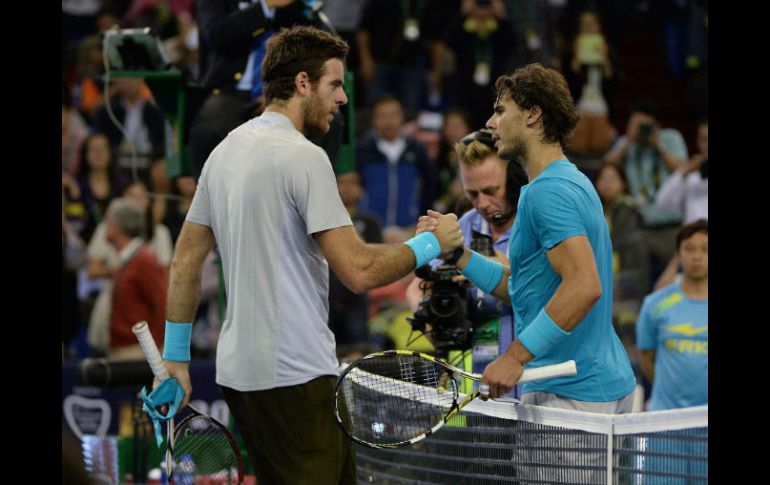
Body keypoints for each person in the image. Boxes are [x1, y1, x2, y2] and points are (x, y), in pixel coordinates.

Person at [161, 26, 463, 484]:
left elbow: (184, 262)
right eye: (335, 85)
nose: (342, 99)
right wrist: (431, 244)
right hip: (294, 375)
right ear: (303, 83)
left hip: (241, 376)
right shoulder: (305, 157)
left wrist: (177, 361)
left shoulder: (223, 153)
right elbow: (358, 271)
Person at [421, 63, 636, 482]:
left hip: (569, 403)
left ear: (533, 115)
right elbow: (522, 288)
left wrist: (514, 357)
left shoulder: (544, 193)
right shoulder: (570, 180)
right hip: (595, 391)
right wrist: (460, 255)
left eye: (500, 110)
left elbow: (584, 286)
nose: (490, 122)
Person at [407, 128, 528, 398]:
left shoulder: (533, 221)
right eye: (472, 193)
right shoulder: (466, 224)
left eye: (490, 190)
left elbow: (538, 288)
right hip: (475, 382)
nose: (482, 203)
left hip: (528, 380)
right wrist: (430, 321)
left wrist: (475, 265)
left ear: (514, 180)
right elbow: (416, 286)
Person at [635, 220, 707, 483]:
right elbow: (646, 356)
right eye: (690, 249)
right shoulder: (656, 305)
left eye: (705, 249)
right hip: (665, 425)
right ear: (679, 254)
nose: (697, 256)